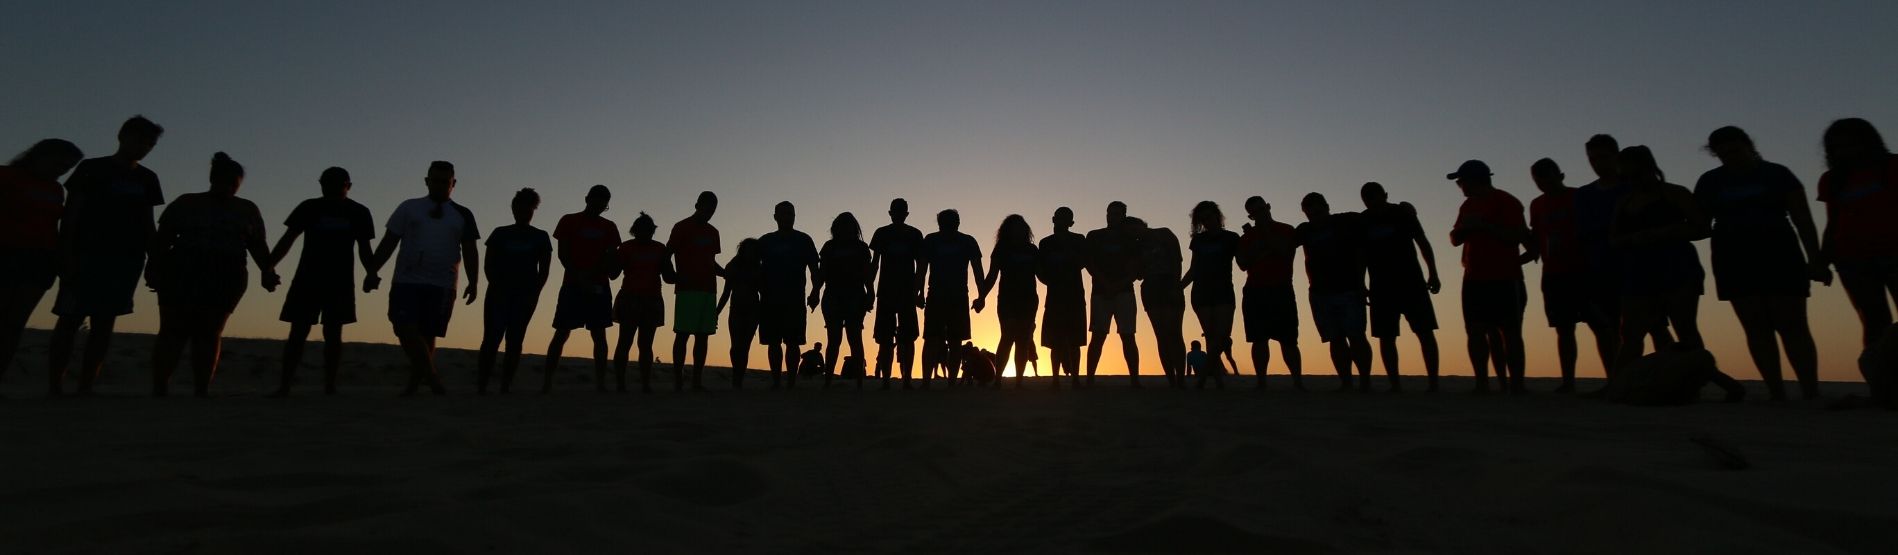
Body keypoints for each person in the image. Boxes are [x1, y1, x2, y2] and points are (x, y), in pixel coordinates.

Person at [1695, 126, 1828, 401]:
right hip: (1733, 257)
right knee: (1756, 327)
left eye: (1735, 149)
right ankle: (1776, 391)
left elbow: (1802, 218)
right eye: (1723, 153)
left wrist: (1815, 259)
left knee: (1793, 324)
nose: (1730, 156)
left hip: (1780, 252)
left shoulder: (1778, 174)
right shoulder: (1710, 181)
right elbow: (1700, 223)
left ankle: (1810, 391)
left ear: (1748, 145)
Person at [48, 116, 164, 396]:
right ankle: (55, 385)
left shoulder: (147, 178)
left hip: (125, 260)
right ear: (122, 136)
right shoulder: (92, 169)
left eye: (149, 144)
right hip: (86, 255)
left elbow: (147, 223)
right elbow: (72, 214)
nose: (143, 147)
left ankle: (86, 385)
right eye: (139, 140)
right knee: (69, 319)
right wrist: (66, 254)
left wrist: (155, 260)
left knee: (104, 323)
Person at [147, 152, 279, 397]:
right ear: (212, 179)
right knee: (173, 330)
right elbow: (163, 239)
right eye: (224, 181)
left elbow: (257, 244)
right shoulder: (186, 203)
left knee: (209, 332)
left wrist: (268, 272)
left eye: (233, 183)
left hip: (226, 274)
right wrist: (153, 267)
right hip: (183, 270)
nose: (228, 187)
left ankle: (201, 389)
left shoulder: (246, 209)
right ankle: (160, 387)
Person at [366, 160, 480, 397]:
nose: (439, 186)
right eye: (435, 180)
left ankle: (415, 384)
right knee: (403, 327)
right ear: (427, 181)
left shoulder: (462, 214)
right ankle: (433, 378)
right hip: (407, 280)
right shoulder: (409, 208)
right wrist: (372, 269)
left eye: (445, 182)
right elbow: (389, 241)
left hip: (443, 283)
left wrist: (474, 281)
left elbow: (470, 249)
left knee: (428, 334)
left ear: (453, 184)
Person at [1610, 146, 1714, 393]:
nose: (1633, 180)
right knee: (1632, 332)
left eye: (1636, 174)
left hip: (1677, 267)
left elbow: (1702, 228)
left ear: (1649, 169)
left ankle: (1693, 384)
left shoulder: (1675, 194)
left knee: (1685, 328)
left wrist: (1663, 233)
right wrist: (1635, 239)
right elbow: (1613, 239)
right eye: (1627, 175)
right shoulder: (1624, 202)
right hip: (1638, 270)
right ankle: (1616, 386)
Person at [266, 167, 375, 397]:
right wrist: (268, 266)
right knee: (298, 331)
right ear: (321, 185)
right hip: (308, 277)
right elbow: (288, 239)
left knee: (332, 333)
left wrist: (371, 273)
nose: (333, 189)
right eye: (328, 183)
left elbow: (365, 248)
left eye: (338, 184)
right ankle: (286, 385)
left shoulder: (358, 212)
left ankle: (329, 385)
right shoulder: (309, 207)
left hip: (340, 280)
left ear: (349, 186)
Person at [1527, 159, 1612, 393]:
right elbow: (1536, 236)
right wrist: (1525, 256)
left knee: (1600, 325)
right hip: (1554, 274)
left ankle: (1614, 378)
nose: (1544, 183)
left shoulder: (1580, 197)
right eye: (1538, 180)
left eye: (1548, 177)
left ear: (1560, 175)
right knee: (1563, 328)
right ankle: (1568, 381)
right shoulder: (1537, 205)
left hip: (1585, 271)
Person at [0, 139, 82, 382]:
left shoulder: (56, 190)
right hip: (6, 252)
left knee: (15, 323)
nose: (60, 170)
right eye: (58, 163)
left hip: (40, 258)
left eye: (67, 167)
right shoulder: (6, 177)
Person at [1448, 160, 1531, 394]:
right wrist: (1466, 229)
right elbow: (1455, 238)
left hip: (1505, 277)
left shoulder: (1507, 202)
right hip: (1474, 277)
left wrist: (1485, 226)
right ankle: (1482, 382)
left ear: (1474, 181)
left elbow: (1516, 236)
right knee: (1475, 331)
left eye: (1461, 182)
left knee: (1510, 331)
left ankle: (1516, 384)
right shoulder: (1467, 206)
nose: (1460, 186)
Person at [1817, 118, 1898, 352]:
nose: (1846, 152)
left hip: (1893, 252)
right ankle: (1881, 384)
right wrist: (1823, 260)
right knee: (1873, 322)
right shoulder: (1832, 180)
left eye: (1852, 144)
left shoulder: (1892, 166)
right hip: (1853, 259)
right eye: (1838, 147)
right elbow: (1833, 223)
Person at [1358, 183, 1442, 392]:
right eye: (1368, 199)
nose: (1373, 202)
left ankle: (1433, 383)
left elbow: (1422, 241)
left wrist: (1433, 271)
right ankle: (1395, 383)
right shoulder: (1363, 221)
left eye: (1376, 197)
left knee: (1425, 331)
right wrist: (1362, 284)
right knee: (1386, 336)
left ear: (1385, 195)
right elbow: (1360, 256)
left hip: (1411, 281)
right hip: (1381, 286)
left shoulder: (1402, 214)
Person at [543, 185, 621, 393]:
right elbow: (563, 253)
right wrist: (579, 275)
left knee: (599, 334)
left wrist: (595, 273)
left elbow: (611, 255)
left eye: (603, 202)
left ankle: (601, 383)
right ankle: (547, 382)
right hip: (572, 284)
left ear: (606, 205)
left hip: (599, 286)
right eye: (596, 199)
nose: (598, 204)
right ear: (587, 198)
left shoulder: (610, 227)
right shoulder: (569, 220)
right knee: (561, 332)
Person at [476, 189, 550, 394]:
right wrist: (497, 286)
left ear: (534, 210)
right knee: (491, 338)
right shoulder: (500, 233)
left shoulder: (540, 237)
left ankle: (505, 384)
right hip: (498, 293)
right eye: (520, 208)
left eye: (529, 208)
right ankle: (482, 384)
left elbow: (543, 271)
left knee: (515, 339)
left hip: (525, 295)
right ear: (513, 208)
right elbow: (488, 265)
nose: (524, 212)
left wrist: (534, 292)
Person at [1295, 193, 1371, 391]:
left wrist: (1403, 208)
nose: (1315, 217)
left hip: (1349, 289)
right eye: (1310, 214)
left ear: (1327, 207)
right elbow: (1284, 242)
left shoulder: (1345, 220)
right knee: (1335, 339)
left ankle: (1365, 381)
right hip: (1320, 292)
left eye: (1318, 211)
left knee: (1356, 336)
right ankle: (1346, 382)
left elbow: (1371, 216)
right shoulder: (1305, 230)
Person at [1237, 196, 1303, 390]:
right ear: (1251, 215)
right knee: (1258, 339)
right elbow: (1242, 263)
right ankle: (1261, 382)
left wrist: (1262, 239)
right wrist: (1263, 249)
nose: (1260, 214)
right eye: (1255, 212)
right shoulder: (1247, 237)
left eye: (1261, 209)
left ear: (1268, 207)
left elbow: (1284, 250)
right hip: (1255, 290)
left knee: (1288, 339)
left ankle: (1297, 382)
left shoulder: (1286, 230)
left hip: (1281, 288)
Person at [916, 209, 985, 388]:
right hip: (938, 296)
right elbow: (922, 269)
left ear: (958, 223)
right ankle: (927, 381)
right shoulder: (931, 240)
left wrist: (982, 295)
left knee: (954, 341)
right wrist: (919, 292)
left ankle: (949, 382)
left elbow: (978, 270)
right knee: (933, 339)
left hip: (957, 296)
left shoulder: (967, 241)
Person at [757, 201, 819, 389]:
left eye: (790, 214)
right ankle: (776, 381)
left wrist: (816, 292)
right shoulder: (765, 241)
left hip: (795, 299)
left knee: (793, 342)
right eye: (783, 214)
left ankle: (791, 382)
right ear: (775, 217)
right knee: (773, 342)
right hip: (770, 299)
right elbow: (751, 264)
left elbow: (815, 269)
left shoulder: (804, 240)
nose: (787, 218)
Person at [1181, 200, 1243, 389]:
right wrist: (1179, 287)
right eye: (1203, 219)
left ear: (1218, 216)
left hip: (1223, 290)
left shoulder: (1231, 238)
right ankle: (1216, 379)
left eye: (1209, 216)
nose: (1207, 221)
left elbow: (1242, 263)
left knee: (1223, 336)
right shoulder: (1198, 240)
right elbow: (1194, 269)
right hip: (1201, 292)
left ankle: (1204, 377)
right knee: (1210, 336)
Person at [613, 213, 675, 393]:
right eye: (641, 230)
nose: (645, 234)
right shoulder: (625, 248)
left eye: (648, 231)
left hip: (651, 299)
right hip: (630, 298)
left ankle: (645, 384)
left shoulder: (659, 249)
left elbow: (669, 277)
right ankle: (620, 384)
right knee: (625, 342)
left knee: (645, 344)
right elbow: (613, 273)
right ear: (635, 231)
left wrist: (675, 261)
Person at [810, 212, 873, 388]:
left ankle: (859, 381)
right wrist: (815, 292)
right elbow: (822, 273)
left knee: (855, 338)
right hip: (833, 296)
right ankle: (828, 380)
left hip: (855, 296)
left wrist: (871, 292)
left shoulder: (861, 248)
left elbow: (867, 273)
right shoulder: (829, 247)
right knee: (834, 339)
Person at [977, 214, 1039, 389]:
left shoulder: (1032, 250)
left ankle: (1019, 380)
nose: (1018, 231)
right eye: (1014, 227)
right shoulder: (1001, 250)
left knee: (1024, 340)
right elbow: (992, 276)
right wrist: (982, 297)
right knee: (1007, 337)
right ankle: (998, 380)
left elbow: (1041, 272)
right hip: (1007, 299)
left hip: (1028, 299)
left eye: (1021, 227)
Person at [668, 191, 723, 390]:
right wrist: (672, 276)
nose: (710, 211)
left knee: (703, 336)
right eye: (707, 206)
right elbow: (668, 253)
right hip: (687, 289)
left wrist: (724, 273)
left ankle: (696, 380)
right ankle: (678, 379)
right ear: (697, 204)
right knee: (682, 333)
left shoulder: (713, 232)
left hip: (708, 289)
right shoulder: (681, 227)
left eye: (713, 208)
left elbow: (711, 260)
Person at [1085, 201, 1144, 387]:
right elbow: (1089, 263)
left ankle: (1134, 379)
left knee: (1128, 336)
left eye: (1117, 214)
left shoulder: (1131, 240)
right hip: (1100, 292)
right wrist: (1105, 283)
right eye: (1110, 213)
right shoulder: (1095, 236)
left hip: (1124, 292)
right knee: (1098, 336)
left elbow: (1135, 268)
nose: (1112, 217)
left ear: (1123, 216)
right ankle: (1090, 379)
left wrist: (1118, 285)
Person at [869, 199, 924, 389]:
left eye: (902, 212)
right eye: (896, 211)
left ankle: (907, 378)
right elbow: (874, 263)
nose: (899, 215)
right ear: (890, 213)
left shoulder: (915, 235)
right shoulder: (882, 233)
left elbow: (921, 266)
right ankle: (886, 379)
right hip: (885, 292)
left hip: (907, 293)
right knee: (885, 339)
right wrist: (870, 289)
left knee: (908, 338)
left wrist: (919, 292)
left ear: (906, 214)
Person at [1132, 217, 1188, 387]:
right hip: (1150, 287)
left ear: (1141, 225)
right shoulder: (1137, 246)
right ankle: (1171, 379)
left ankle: (1180, 379)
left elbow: (1177, 260)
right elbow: (1138, 274)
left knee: (1175, 333)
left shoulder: (1164, 233)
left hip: (1169, 284)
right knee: (1161, 335)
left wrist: (1176, 286)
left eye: (1134, 228)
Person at [1037, 207, 1088, 389]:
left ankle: (1075, 378)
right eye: (1058, 218)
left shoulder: (1078, 240)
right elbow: (1039, 270)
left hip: (1074, 296)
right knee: (1055, 342)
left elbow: (1083, 262)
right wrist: (1050, 281)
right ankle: (1056, 379)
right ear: (1053, 219)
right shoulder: (1045, 243)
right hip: (1055, 297)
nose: (1060, 222)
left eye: (1065, 219)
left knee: (1075, 342)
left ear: (1071, 223)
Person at [715, 238, 762, 389]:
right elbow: (726, 292)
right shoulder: (734, 266)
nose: (750, 253)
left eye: (753, 250)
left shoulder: (759, 268)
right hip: (736, 310)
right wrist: (717, 311)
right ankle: (736, 375)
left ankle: (738, 379)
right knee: (736, 346)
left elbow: (764, 292)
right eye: (748, 249)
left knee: (745, 346)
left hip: (753, 310)